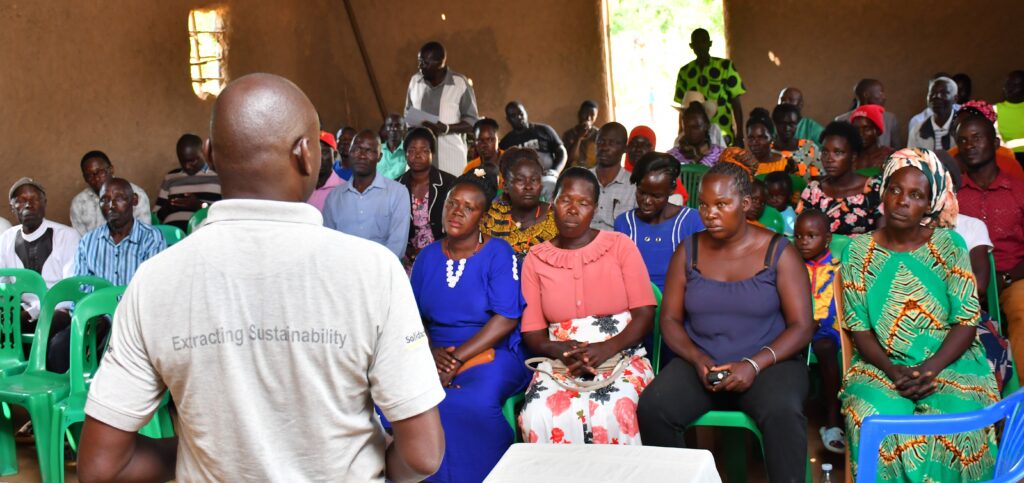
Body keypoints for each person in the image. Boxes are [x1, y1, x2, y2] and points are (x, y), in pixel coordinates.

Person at [78, 73, 445, 482]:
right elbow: (423, 455)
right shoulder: (374, 271)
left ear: (210, 154)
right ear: (306, 154)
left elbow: (101, 466)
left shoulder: (154, 281)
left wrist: (199, 453)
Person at [637, 161, 814, 483]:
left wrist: (754, 365)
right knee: (653, 408)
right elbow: (670, 320)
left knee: (782, 411)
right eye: (704, 205)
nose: (710, 214)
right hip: (704, 363)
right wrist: (697, 358)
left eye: (721, 204)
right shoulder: (688, 251)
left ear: (745, 204)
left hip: (770, 363)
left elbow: (802, 326)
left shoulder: (779, 252)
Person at [840, 148, 998, 481]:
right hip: (880, 364)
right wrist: (892, 370)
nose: (902, 201)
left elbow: (966, 321)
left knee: (960, 420)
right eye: (895, 190)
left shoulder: (950, 244)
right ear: (883, 193)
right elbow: (860, 330)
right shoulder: (857, 250)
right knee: (874, 419)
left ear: (930, 203)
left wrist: (930, 368)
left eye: (916, 195)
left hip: (951, 361)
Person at [519, 167, 657, 445]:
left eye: (583, 203)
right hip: (561, 360)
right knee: (538, 413)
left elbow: (645, 315)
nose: (572, 209)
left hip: (622, 354)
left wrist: (606, 348)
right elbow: (532, 332)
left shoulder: (620, 246)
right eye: (565, 200)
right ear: (553, 202)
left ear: (595, 208)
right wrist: (559, 350)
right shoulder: (535, 258)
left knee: (615, 409)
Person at [409, 172, 528, 482]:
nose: (456, 212)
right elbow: (412, 319)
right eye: (452, 203)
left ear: (482, 218)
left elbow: (506, 318)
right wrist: (431, 353)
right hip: (435, 354)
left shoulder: (498, 252)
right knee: (404, 400)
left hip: (491, 351)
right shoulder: (427, 257)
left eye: (468, 207)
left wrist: (456, 359)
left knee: (469, 403)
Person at [50, 178, 167, 373]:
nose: (111, 205)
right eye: (104, 200)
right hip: (96, 319)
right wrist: (91, 316)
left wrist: (112, 315)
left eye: (119, 198)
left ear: (134, 200)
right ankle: (71, 391)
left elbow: (151, 290)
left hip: (133, 321)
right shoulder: (88, 241)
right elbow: (81, 290)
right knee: (58, 347)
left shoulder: (151, 238)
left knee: (110, 352)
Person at [955, 113, 1024, 384]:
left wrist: (1006, 277)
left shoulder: (1018, 189)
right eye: (962, 140)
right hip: (963, 282)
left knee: (1022, 308)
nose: (969, 145)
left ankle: (1019, 396)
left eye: (976, 138)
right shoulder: (952, 194)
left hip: (1012, 278)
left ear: (995, 143)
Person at [793, 210, 844, 454]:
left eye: (811, 236)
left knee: (825, 347)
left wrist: (817, 322)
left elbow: (836, 306)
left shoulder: (837, 269)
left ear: (827, 239)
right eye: (798, 236)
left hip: (827, 329)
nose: (803, 242)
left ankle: (833, 420)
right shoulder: (792, 267)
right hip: (796, 326)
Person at [614, 152, 704, 292]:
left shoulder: (692, 221)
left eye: (656, 196)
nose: (647, 201)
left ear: (672, 190)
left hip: (681, 299)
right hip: (634, 299)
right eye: (641, 192)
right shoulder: (624, 223)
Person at [323, 129, 411, 258]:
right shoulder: (334, 197)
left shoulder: (398, 193)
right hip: (343, 268)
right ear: (350, 152)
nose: (362, 155)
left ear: (379, 157)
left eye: (369, 150)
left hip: (382, 269)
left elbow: (397, 247)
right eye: (357, 149)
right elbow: (328, 244)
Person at [1, 178, 79, 320]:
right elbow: (3, 284)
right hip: (23, 309)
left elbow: (69, 289)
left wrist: (31, 313)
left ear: (44, 203)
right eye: (21, 200)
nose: (28, 205)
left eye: (35, 199)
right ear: (12, 207)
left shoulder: (66, 236)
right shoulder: (7, 238)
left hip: (58, 309)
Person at [405, 41, 479, 176]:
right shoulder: (415, 81)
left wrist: (446, 128)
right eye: (419, 61)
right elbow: (408, 115)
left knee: (451, 189)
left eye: (425, 62)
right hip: (419, 161)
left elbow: (473, 123)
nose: (420, 66)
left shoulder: (459, 83)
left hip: (451, 159)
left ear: (440, 62)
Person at [797, 121, 882, 235]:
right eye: (825, 152)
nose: (829, 159)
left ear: (853, 156)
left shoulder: (874, 189)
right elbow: (801, 234)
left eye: (838, 152)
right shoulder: (813, 191)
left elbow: (884, 236)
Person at [480, 148, 557, 268]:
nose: (528, 186)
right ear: (505, 186)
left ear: (541, 184)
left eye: (534, 180)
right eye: (520, 180)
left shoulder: (556, 219)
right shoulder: (491, 216)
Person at [673, 28, 746, 146]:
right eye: (697, 43)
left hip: (723, 134)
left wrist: (740, 135)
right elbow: (683, 108)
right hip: (695, 136)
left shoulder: (725, 67)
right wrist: (681, 133)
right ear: (691, 46)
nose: (700, 46)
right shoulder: (685, 72)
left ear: (710, 43)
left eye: (703, 42)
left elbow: (736, 103)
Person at [399, 127, 456, 272]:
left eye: (424, 150)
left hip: (444, 254)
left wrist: (433, 250)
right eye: (412, 150)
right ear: (406, 154)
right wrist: (408, 250)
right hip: (407, 258)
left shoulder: (449, 183)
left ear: (432, 153)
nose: (418, 155)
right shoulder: (397, 186)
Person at [70, 150, 152, 235]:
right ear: (85, 178)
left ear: (111, 169)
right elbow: (80, 239)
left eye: (100, 172)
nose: (96, 179)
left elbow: (144, 234)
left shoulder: (135, 194)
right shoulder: (78, 203)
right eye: (89, 176)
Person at [154, 134, 223, 230]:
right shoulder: (170, 177)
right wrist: (168, 207)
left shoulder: (219, 176)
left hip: (204, 233)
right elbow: (154, 218)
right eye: (183, 161)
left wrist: (200, 205)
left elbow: (225, 214)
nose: (187, 166)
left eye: (192, 161)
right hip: (171, 234)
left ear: (203, 153)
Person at [499, 101, 566, 200]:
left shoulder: (544, 130)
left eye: (521, 113)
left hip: (547, 176)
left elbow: (562, 152)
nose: (519, 117)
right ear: (508, 119)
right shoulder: (506, 142)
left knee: (551, 186)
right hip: (521, 183)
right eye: (513, 116)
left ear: (525, 112)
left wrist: (555, 171)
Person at [949, 100, 1024, 180]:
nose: (969, 145)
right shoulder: (948, 159)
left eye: (976, 137)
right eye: (957, 129)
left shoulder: (1007, 161)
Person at [590, 123, 636, 231]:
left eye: (612, 143)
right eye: (600, 142)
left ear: (625, 149)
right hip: (583, 239)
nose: (604, 147)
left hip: (618, 240)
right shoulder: (582, 180)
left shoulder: (634, 185)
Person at [835, 79, 902, 149]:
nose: (884, 97)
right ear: (866, 95)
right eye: (880, 93)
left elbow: (897, 150)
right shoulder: (841, 121)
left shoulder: (890, 119)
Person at [908, 76, 959, 151]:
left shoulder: (962, 126)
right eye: (932, 93)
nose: (936, 96)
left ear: (955, 99)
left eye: (943, 93)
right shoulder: (917, 131)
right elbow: (912, 157)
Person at [669, 101, 725, 166]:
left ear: (706, 126)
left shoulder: (721, 155)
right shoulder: (673, 156)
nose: (691, 131)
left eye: (696, 127)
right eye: (687, 127)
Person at [772, 103, 817, 177]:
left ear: (797, 124)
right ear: (775, 123)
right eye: (782, 124)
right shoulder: (767, 150)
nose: (787, 128)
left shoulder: (809, 147)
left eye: (792, 124)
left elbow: (818, 179)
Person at [306, 131, 345, 212]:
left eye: (324, 152)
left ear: (335, 155)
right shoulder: (301, 187)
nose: (319, 157)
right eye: (314, 151)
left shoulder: (344, 190)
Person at [850, 104, 896, 171]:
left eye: (866, 129)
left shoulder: (890, 157)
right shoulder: (850, 158)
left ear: (877, 130)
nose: (860, 134)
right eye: (856, 129)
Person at [463, 118, 504, 185]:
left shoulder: (511, 161)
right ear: (475, 142)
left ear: (498, 139)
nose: (485, 145)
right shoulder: (470, 168)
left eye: (490, 140)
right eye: (480, 140)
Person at [746, 109, 785, 175]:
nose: (755, 143)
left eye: (761, 137)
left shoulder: (784, 165)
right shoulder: (743, 166)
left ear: (772, 138)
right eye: (751, 138)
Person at [995, 70, 1024, 162]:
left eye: (1015, 85)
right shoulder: (993, 110)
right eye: (1007, 84)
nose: (1009, 88)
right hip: (1006, 159)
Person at [563, 100, 599, 168]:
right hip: (574, 171)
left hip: (593, 172)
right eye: (585, 113)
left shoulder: (599, 135)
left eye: (592, 115)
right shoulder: (568, 135)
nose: (588, 118)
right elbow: (569, 160)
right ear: (579, 114)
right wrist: (579, 137)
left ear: (596, 117)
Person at [764, 171, 796, 236]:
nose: (773, 199)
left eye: (779, 195)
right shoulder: (762, 209)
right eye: (769, 194)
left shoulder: (790, 219)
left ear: (789, 195)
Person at [379, 113, 408, 180]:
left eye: (398, 125)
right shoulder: (377, 150)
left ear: (404, 130)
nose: (393, 128)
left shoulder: (408, 151)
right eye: (390, 125)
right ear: (385, 129)